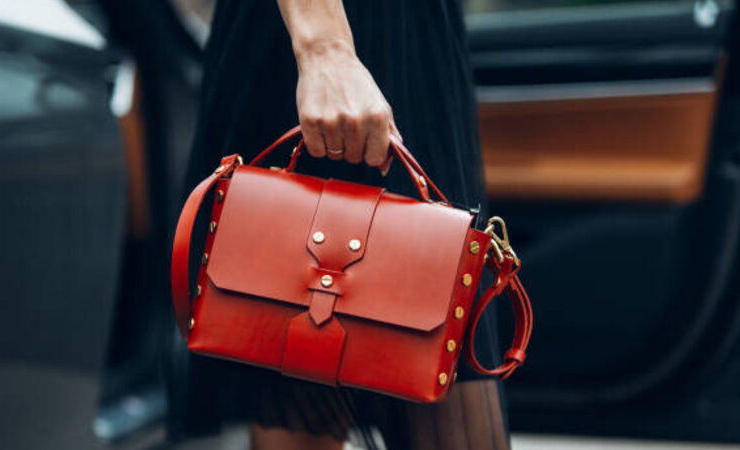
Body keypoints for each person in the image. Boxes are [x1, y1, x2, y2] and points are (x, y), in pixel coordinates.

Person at [170, 1, 509, 449]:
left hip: (409, 40)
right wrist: (324, 49)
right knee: (292, 367)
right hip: (327, 33)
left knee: (300, 396)